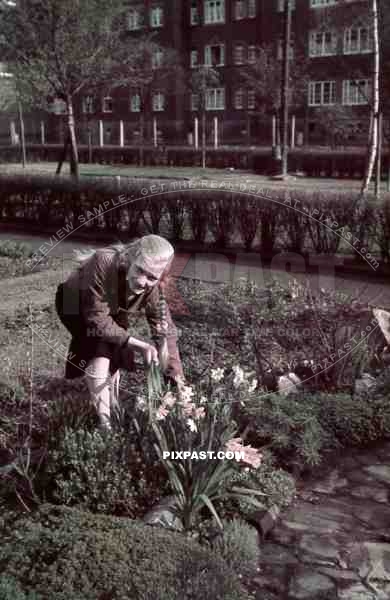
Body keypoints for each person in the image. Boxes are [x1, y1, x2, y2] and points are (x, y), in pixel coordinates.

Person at [55, 235, 184, 429]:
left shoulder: (155, 290)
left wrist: (177, 380)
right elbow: (97, 319)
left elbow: (166, 332)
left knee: (117, 350)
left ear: (161, 277)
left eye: (152, 277)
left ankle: (112, 406)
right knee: (100, 347)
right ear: (131, 257)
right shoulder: (103, 260)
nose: (142, 281)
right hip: (74, 303)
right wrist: (141, 346)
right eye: (140, 270)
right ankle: (105, 425)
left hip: (111, 306)